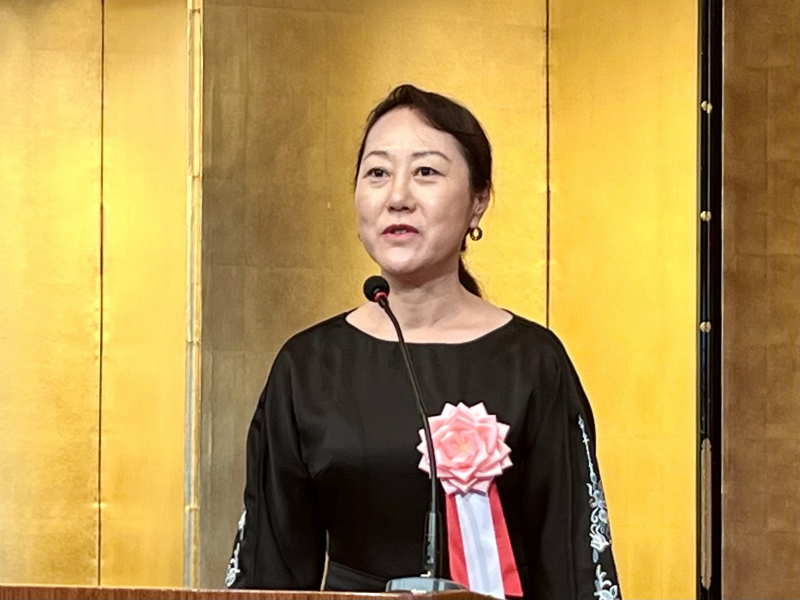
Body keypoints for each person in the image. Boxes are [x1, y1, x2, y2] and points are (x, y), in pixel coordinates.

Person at [225, 84, 620, 599]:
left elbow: (574, 566)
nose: (398, 197)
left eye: (426, 172)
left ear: (478, 202)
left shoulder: (533, 363)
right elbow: (267, 568)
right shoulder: (307, 366)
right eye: (377, 173)